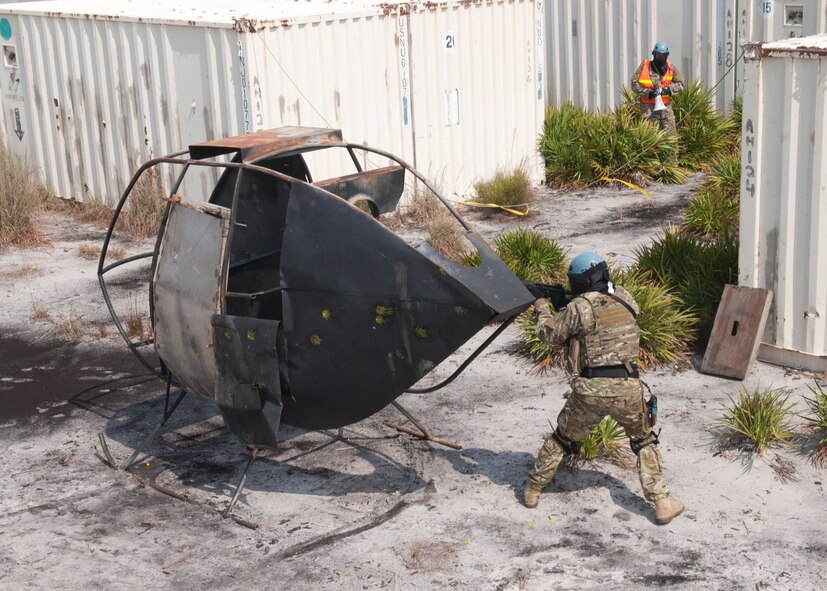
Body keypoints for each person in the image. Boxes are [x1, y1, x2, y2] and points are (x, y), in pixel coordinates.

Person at [523, 252, 684, 525]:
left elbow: (548, 334)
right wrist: (569, 302)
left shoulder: (579, 308)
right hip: (628, 387)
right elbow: (604, 311)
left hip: (590, 391)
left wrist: (542, 305)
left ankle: (533, 490)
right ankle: (662, 502)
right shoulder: (626, 297)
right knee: (644, 440)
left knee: (562, 438)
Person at [631, 41, 685, 134]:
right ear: (653, 54)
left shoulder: (670, 67)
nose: (661, 58)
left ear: (667, 55)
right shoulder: (644, 66)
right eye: (658, 55)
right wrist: (648, 93)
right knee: (650, 140)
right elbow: (634, 84)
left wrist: (668, 90)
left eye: (664, 56)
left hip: (666, 109)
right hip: (648, 110)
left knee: (671, 139)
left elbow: (681, 83)